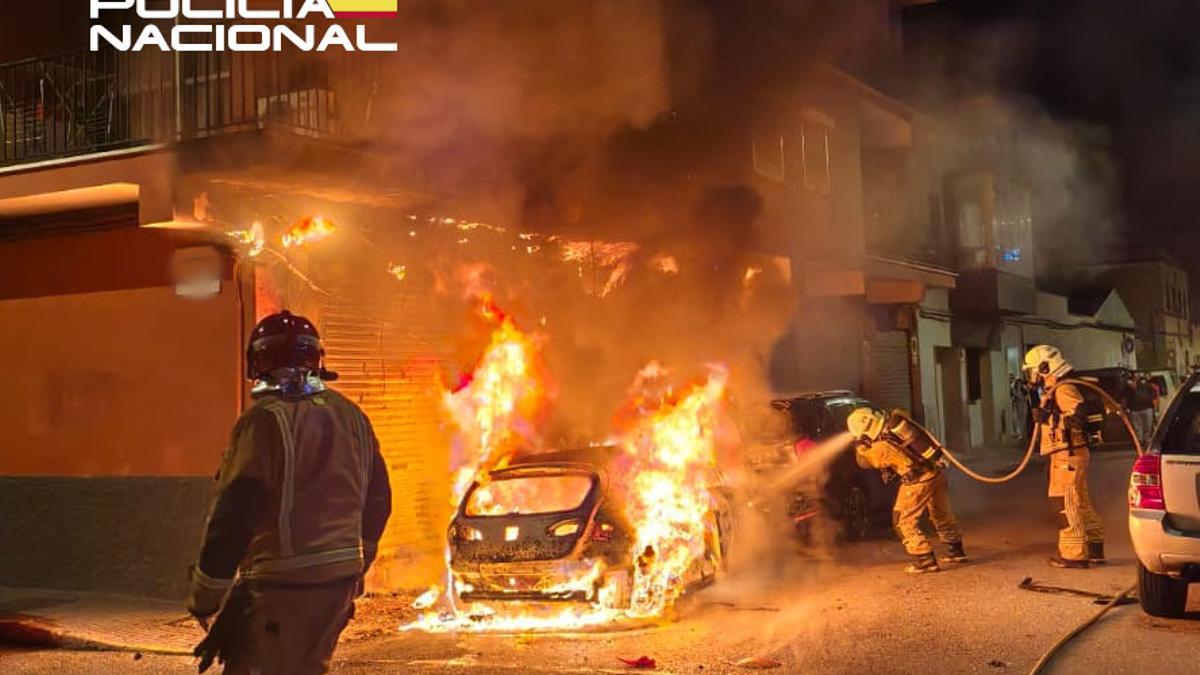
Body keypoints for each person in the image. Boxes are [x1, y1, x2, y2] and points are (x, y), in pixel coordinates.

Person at [187, 310, 392, 674]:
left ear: (259, 362)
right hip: (338, 587)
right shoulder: (352, 416)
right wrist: (359, 564)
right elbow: (379, 500)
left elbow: (234, 514)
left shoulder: (264, 419)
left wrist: (206, 596)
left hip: (282, 587)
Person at [847, 407, 965, 574]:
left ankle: (925, 558)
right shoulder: (896, 428)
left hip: (917, 481)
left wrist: (860, 446)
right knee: (940, 513)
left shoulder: (882, 445)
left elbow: (867, 462)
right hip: (935, 473)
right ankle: (955, 550)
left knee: (902, 521)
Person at [1024, 344, 1104, 569]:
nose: (1031, 376)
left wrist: (1050, 416)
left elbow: (1077, 415)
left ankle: (1074, 554)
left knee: (1064, 503)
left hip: (1067, 455)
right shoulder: (1057, 388)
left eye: (1032, 370)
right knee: (1079, 501)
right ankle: (1094, 545)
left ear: (1043, 367)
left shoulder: (1062, 388)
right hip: (1071, 454)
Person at [1126, 373, 1156, 448]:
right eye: (1135, 376)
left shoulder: (1145, 384)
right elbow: (1125, 397)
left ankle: (1146, 441)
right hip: (1135, 410)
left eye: (1138, 375)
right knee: (1137, 428)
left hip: (1147, 408)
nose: (1136, 377)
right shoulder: (1128, 386)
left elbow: (1152, 393)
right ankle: (1140, 442)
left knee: (1147, 427)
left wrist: (1152, 402)